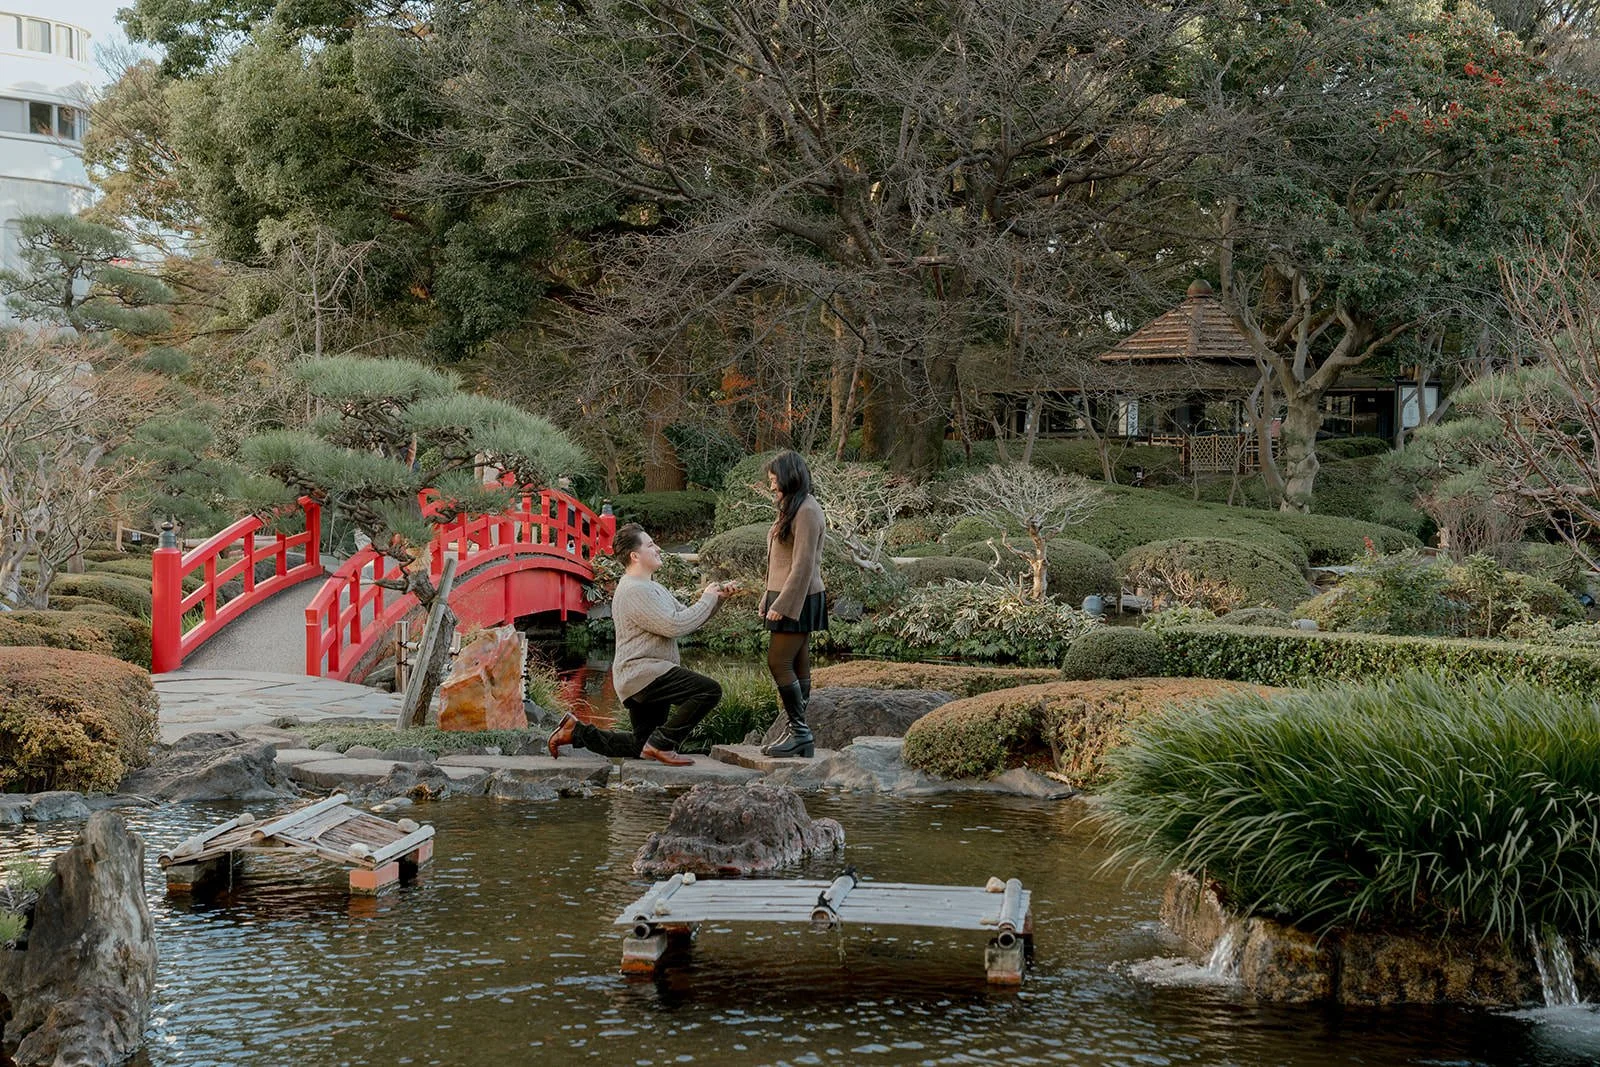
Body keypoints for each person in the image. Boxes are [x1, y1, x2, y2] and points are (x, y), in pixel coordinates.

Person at [547, 523, 735, 766]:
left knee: (641, 745)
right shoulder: (634, 590)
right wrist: (707, 598)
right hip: (644, 673)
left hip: (644, 674)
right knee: (708, 691)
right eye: (650, 545)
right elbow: (675, 625)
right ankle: (663, 742)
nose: (657, 548)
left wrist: (715, 601)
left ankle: (576, 732)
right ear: (635, 556)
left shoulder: (651, 587)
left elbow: (687, 619)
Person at [759, 450, 827, 759]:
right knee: (797, 664)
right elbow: (778, 561)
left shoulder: (808, 511)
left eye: (774, 478)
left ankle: (800, 732)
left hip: (799, 596)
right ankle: (798, 734)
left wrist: (783, 603)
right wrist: (767, 596)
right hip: (784, 594)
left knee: (779, 663)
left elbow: (803, 566)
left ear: (789, 476)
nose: (771, 485)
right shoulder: (790, 507)